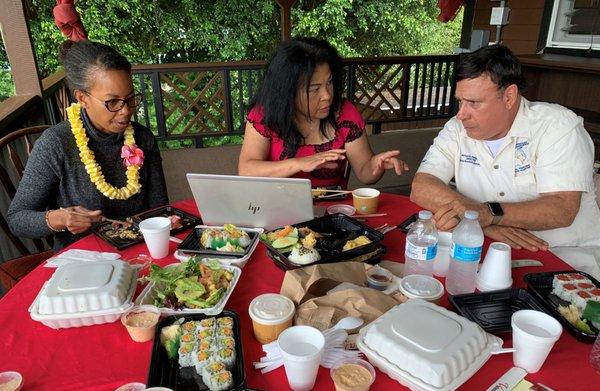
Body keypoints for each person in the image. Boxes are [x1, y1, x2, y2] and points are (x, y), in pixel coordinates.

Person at [410, 44, 600, 278]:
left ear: (509, 96)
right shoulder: (457, 129)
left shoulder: (557, 127)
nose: (461, 113)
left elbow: (563, 208)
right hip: (489, 249)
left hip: (566, 258)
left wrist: (488, 213)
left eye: (474, 103)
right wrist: (482, 222)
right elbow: (422, 185)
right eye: (460, 101)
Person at [7, 40, 168, 250]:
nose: (126, 111)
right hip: (83, 258)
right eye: (112, 102)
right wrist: (61, 218)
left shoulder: (142, 137)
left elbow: (160, 208)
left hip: (139, 248)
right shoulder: (56, 144)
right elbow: (16, 220)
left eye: (130, 99)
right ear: (82, 98)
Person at [238, 37, 409, 188]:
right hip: (277, 209)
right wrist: (299, 163)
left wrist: (376, 165)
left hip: (331, 211)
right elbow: (246, 171)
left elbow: (364, 171)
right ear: (287, 91)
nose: (327, 95)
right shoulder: (264, 115)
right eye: (314, 89)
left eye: (329, 83)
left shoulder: (344, 114)